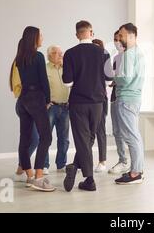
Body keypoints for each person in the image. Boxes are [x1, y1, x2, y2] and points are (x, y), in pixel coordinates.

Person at [62, 20, 109, 192]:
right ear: (91, 32)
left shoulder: (70, 53)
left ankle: (84, 175)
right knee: (89, 138)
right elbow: (110, 79)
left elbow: (67, 83)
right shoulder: (103, 52)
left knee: (83, 139)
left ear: (77, 35)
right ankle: (81, 173)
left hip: (78, 103)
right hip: (97, 103)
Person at [14, 26, 55, 192]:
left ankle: (29, 175)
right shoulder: (37, 56)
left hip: (23, 99)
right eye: (40, 35)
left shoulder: (19, 57)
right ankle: (38, 177)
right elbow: (43, 80)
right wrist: (47, 100)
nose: (42, 38)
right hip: (36, 98)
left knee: (25, 139)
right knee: (46, 137)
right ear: (34, 38)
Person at [112, 23, 145, 185]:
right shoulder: (139, 53)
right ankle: (137, 169)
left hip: (126, 98)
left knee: (131, 137)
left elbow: (125, 79)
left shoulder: (128, 54)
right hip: (135, 98)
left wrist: (113, 78)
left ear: (132, 36)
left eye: (122, 36)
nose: (119, 39)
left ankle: (135, 173)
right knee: (135, 135)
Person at [10, 51, 41, 182]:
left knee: (31, 138)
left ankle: (21, 166)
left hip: (30, 104)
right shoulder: (20, 63)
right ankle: (25, 167)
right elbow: (17, 86)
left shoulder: (33, 61)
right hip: (26, 104)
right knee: (32, 139)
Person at [108, 30, 129, 175]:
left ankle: (130, 163)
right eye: (114, 39)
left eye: (119, 38)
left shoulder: (130, 57)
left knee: (127, 132)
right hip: (114, 97)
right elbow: (114, 77)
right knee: (116, 132)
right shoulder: (116, 58)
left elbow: (128, 80)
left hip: (126, 99)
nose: (117, 42)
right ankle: (123, 160)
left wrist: (117, 80)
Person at [46, 45, 70, 173]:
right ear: (50, 55)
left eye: (61, 53)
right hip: (51, 107)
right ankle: (44, 165)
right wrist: (45, 101)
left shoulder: (66, 69)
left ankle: (61, 165)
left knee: (64, 139)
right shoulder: (45, 68)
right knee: (46, 138)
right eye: (57, 53)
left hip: (65, 108)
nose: (60, 55)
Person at [92, 39, 112, 173]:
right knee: (87, 133)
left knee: (100, 130)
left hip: (100, 99)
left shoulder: (105, 58)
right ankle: (82, 161)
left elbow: (109, 78)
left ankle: (102, 161)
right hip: (87, 100)